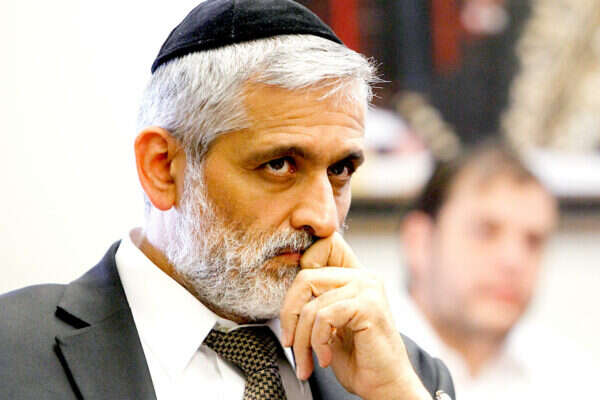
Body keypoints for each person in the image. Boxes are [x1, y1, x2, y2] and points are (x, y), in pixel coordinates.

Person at [0, 1, 454, 399]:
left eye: (339, 171)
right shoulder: (13, 354)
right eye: (279, 165)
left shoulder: (403, 374)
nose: (323, 218)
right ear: (163, 167)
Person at [397, 143, 566, 399]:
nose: (513, 260)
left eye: (533, 241)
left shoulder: (571, 379)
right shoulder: (347, 369)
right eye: (486, 232)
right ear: (418, 242)